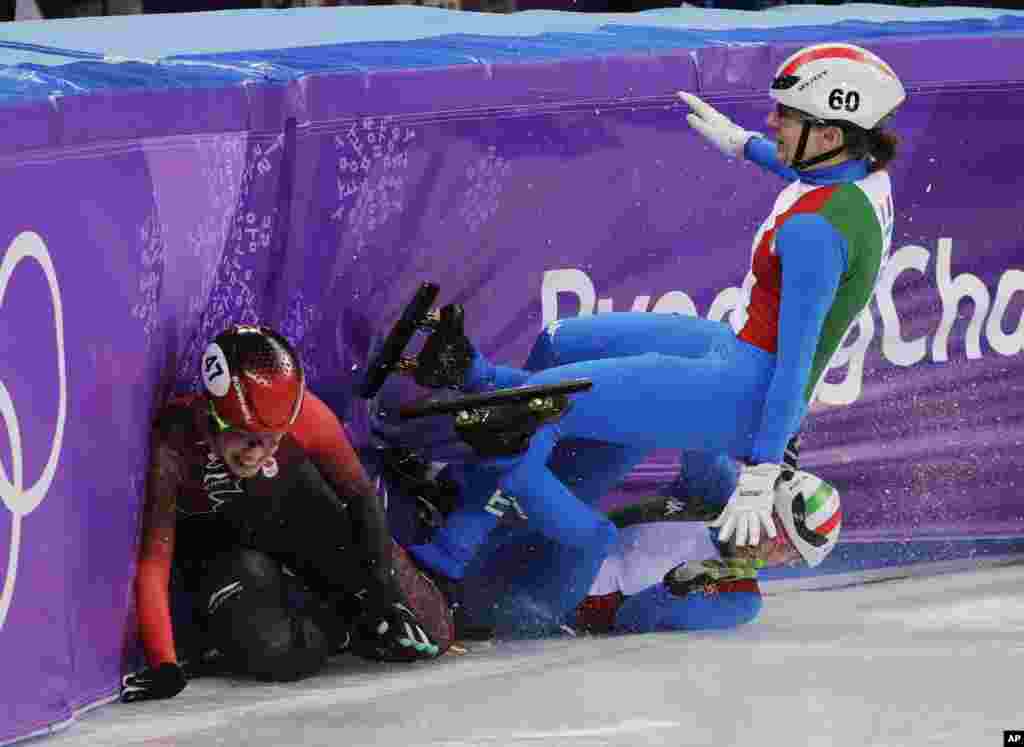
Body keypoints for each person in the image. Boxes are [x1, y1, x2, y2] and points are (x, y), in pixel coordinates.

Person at [389, 42, 902, 635]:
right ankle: (474, 398)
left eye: (786, 117)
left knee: (538, 408)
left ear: (834, 130)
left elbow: (796, 364)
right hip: (730, 349)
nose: (773, 121)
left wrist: (761, 471)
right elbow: (810, 174)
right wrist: (743, 146)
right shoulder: (860, 180)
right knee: (564, 345)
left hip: (740, 388)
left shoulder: (816, 233)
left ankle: (452, 552)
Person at [122, 325, 451, 703]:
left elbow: (360, 496)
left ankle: (355, 607)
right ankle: (336, 625)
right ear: (214, 415)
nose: (254, 453)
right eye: (245, 436)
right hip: (230, 551)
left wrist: (385, 590)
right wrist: (164, 664)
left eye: (271, 439)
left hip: (292, 518)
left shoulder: (307, 415)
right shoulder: (175, 440)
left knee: (427, 633)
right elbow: (154, 560)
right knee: (272, 650)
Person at [574, 469, 840, 635]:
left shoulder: (741, 600)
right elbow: (698, 421)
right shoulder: (716, 488)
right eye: (775, 526)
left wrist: (672, 589)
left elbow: (629, 620)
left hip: (558, 608)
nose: (767, 545)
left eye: (787, 550)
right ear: (762, 500)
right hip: (560, 538)